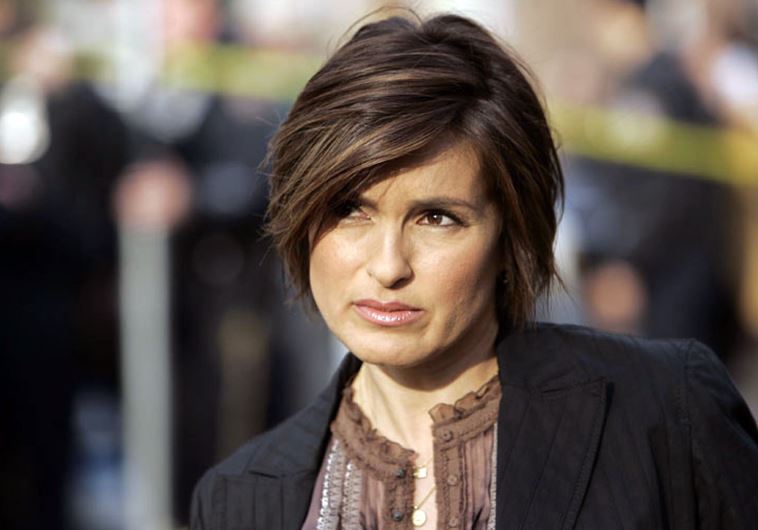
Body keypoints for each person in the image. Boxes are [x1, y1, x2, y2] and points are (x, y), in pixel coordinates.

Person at [190, 13, 758, 529]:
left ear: (510, 235)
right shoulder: (236, 501)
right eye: (350, 210)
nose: (388, 266)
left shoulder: (665, 412)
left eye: (436, 218)